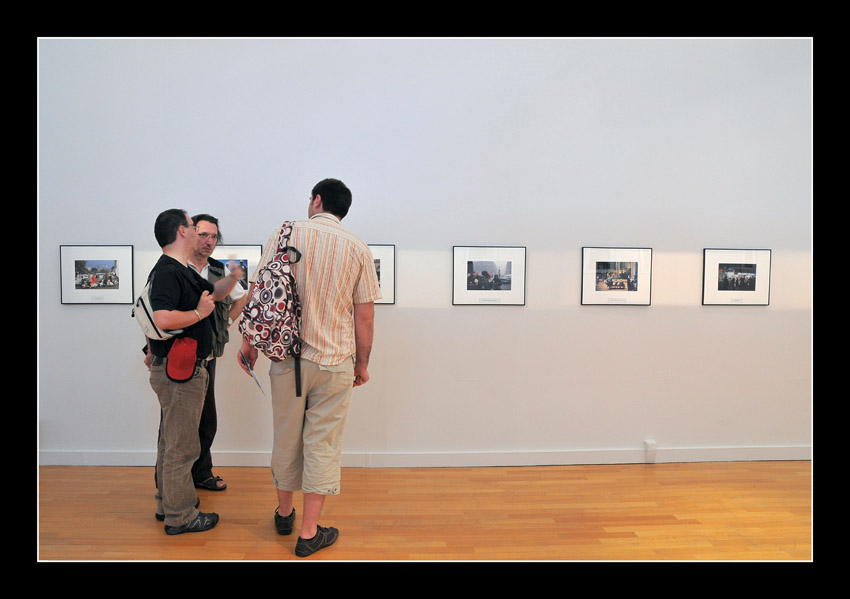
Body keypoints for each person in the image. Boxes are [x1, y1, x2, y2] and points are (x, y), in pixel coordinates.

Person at [238, 178, 381, 557]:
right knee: (323, 444)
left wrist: (249, 344)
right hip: (334, 362)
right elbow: (364, 317)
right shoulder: (358, 248)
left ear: (317, 200)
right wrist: (362, 364)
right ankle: (308, 532)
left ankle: (285, 514)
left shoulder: (285, 233)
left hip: (287, 359)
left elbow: (260, 292)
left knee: (286, 437)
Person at [143, 209, 243, 535]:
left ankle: (168, 505)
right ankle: (181, 515)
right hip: (180, 372)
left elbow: (213, 293)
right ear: (182, 232)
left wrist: (233, 278)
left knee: (172, 442)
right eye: (192, 225)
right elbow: (162, 318)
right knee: (182, 447)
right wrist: (200, 314)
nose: (203, 236)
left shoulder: (180, 270)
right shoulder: (168, 271)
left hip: (182, 369)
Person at [186, 214, 249, 492]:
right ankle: (170, 481)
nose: (209, 241)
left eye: (213, 236)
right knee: (176, 422)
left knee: (206, 419)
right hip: (179, 355)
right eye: (203, 235)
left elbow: (242, 297)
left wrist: (227, 322)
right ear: (190, 234)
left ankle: (201, 473)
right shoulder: (176, 266)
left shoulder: (217, 270)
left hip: (208, 355)